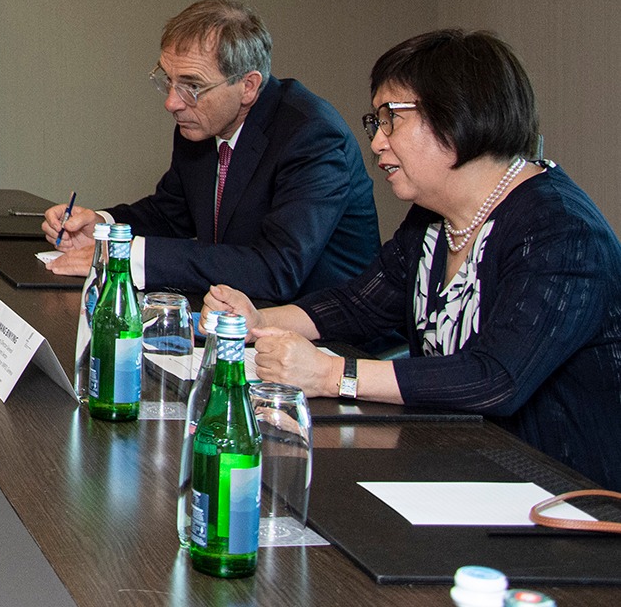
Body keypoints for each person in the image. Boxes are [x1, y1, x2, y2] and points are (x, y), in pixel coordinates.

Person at [207, 29, 621, 490]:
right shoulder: (432, 218)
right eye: (376, 122)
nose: (377, 143)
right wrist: (256, 321)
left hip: (562, 497)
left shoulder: (562, 231)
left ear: (458, 115)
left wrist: (331, 374)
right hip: (453, 464)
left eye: (391, 119)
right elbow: (358, 305)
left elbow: (496, 377)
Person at [43, 0, 378, 300]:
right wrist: (103, 228)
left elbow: (276, 268)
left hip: (325, 331)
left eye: (192, 86)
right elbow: (170, 214)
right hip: (236, 314)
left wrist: (132, 257)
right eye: (168, 80)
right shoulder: (201, 124)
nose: (172, 103)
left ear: (248, 86)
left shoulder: (311, 135)